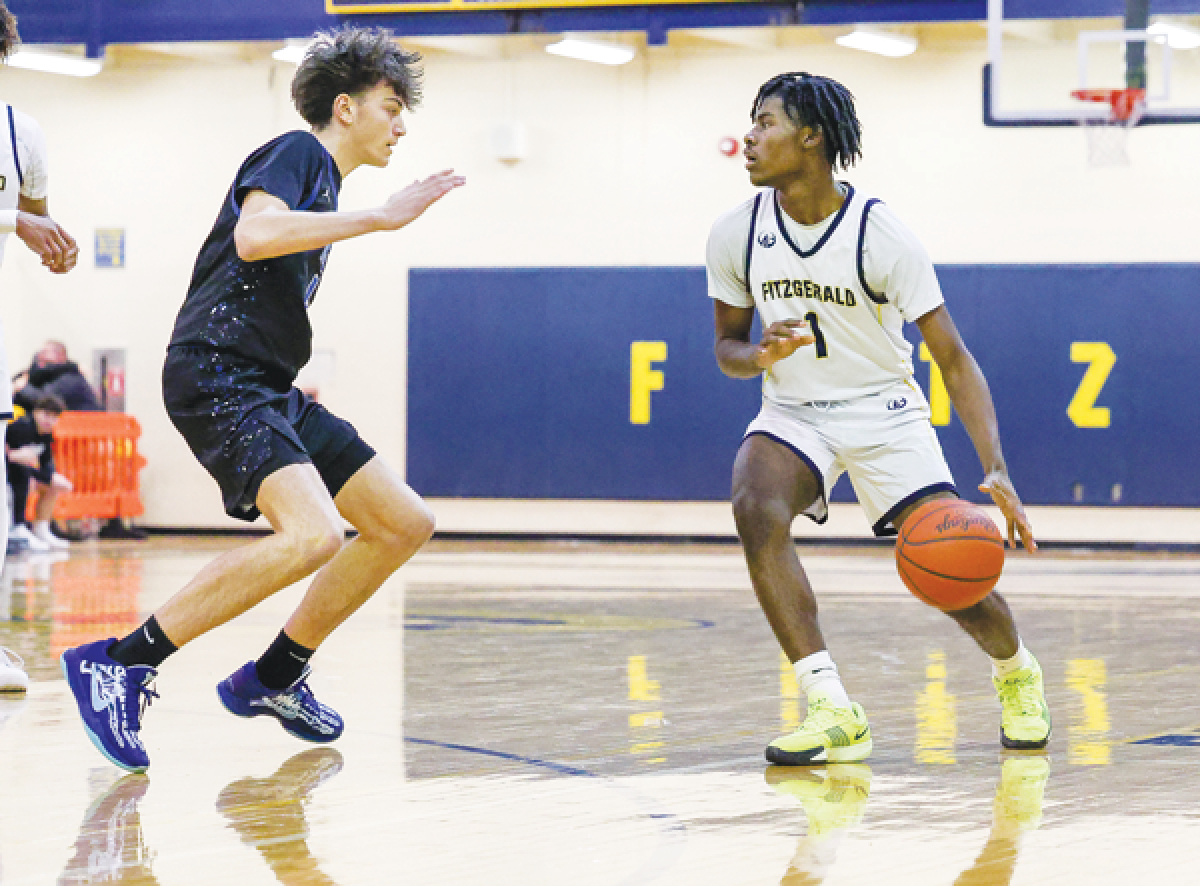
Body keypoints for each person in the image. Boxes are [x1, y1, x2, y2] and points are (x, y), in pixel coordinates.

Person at [61, 26, 463, 773]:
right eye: (390, 105)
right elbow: (253, 235)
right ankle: (118, 661)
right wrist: (382, 217)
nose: (402, 123)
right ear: (344, 108)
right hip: (217, 372)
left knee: (401, 521)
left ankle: (275, 675)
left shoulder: (326, 186)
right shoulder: (299, 152)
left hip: (267, 385)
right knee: (312, 535)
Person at [706, 72, 1047, 765]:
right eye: (751, 120)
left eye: (766, 122)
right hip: (795, 411)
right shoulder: (735, 232)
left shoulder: (879, 231)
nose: (751, 136)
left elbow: (951, 357)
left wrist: (996, 467)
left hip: (885, 413)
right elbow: (725, 351)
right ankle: (832, 707)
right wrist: (759, 353)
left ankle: (1017, 671)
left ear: (812, 137)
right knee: (754, 501)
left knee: (949, 572)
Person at [0, 1, 79, 565]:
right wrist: (15, 220)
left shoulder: (20, 132)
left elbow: (37, 221)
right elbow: (18, 219)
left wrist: (58, 246)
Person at [6, 393, 72, 551]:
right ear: (35, 412)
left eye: (54, 417)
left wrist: (49, 477)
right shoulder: (22, 427)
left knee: (53, 484)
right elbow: (10, 457)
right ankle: (18, 526)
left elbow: (45, 464)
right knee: (25, 477)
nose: (49, 421)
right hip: (8, 473)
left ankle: (42, 528)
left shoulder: (46, 435)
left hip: (22, 472)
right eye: (46, 415)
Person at [12, 339, 101, 413]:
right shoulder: (52, 375)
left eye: (45, 352)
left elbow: (46, 399)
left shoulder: (71, 378)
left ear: (60, 356)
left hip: (82, 428)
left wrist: (22, 387)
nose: (41, 356)